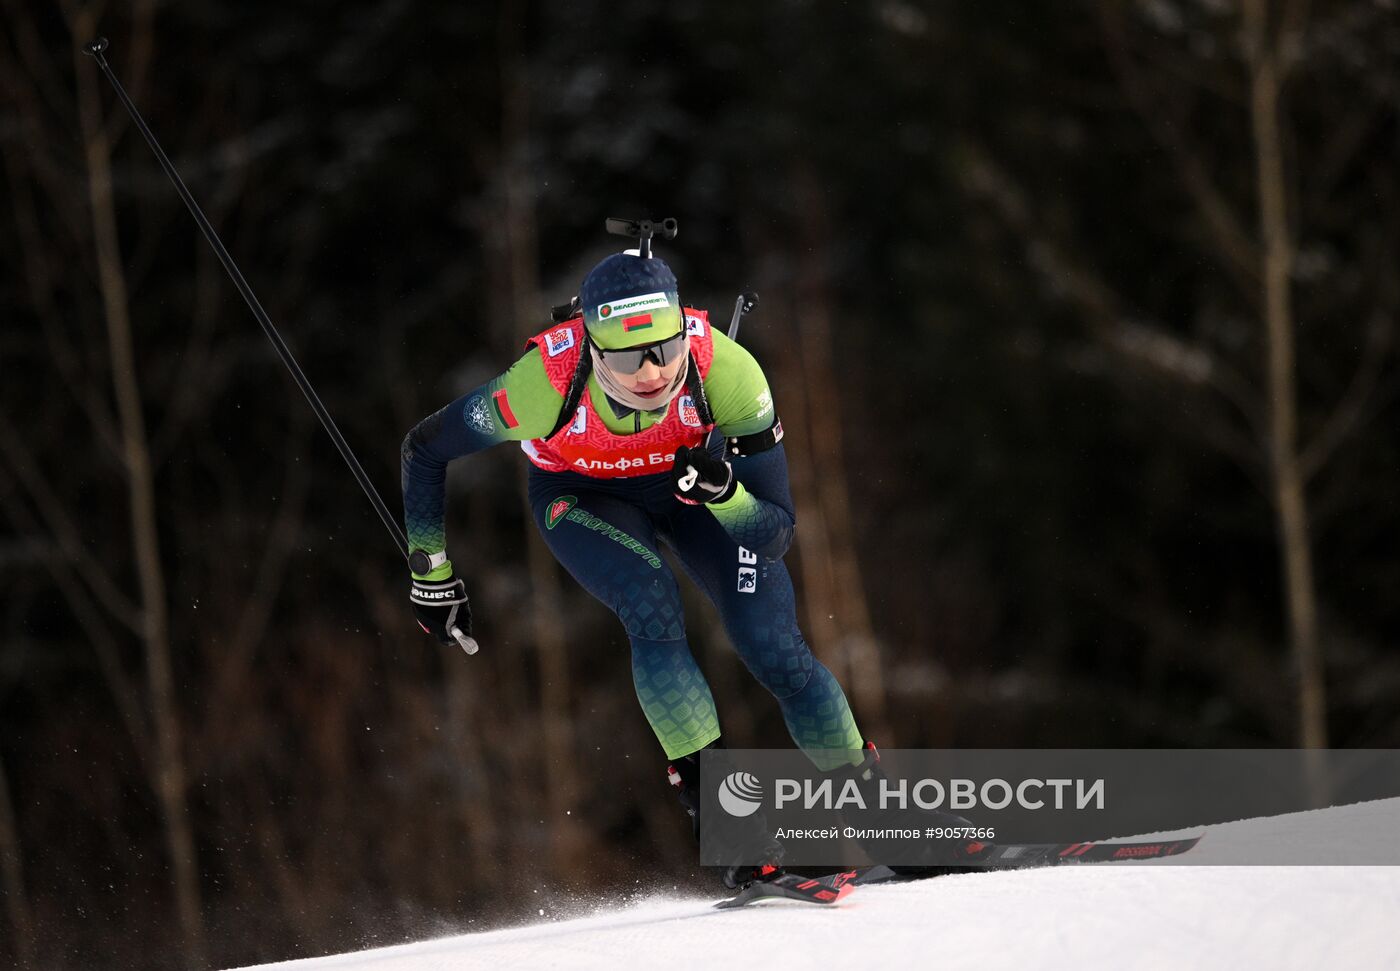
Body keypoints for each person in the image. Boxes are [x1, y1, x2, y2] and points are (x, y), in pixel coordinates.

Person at [399, 241, 876, 890]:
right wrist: (431, 572)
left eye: (665, 348)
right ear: (592, 351)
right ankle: (730, 830)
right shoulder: (538, 387)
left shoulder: (730, 372)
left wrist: (723, 491)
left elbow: (775, 534)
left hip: (693, 491)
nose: (651, 371)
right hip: (583, 494)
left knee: (776, 647)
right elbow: (424, 449)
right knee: (651, 602)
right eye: (625, 357)